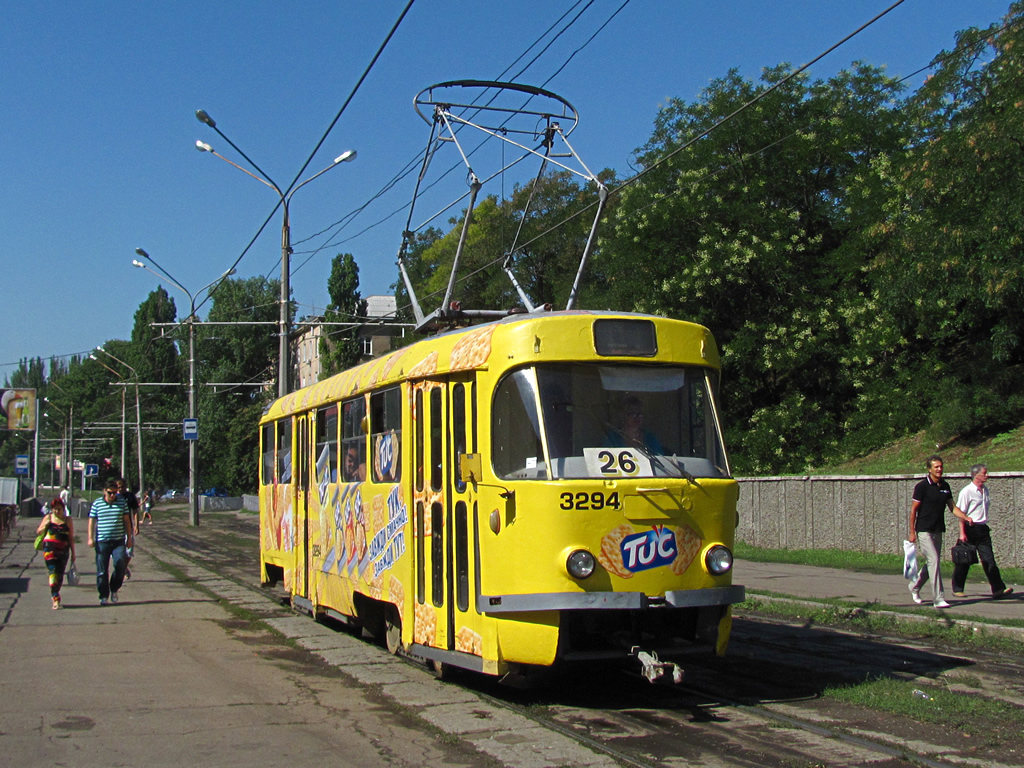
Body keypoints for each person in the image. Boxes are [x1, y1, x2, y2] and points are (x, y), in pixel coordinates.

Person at [951, 464, 1013, 599]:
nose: (987, 475)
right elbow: (961, 513)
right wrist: (962, 533)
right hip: (970, 527)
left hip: (982, 528)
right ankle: (957, 588)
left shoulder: (985, 490)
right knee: (964, 559)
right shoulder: (967, 492)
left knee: (988, 559)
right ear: (976, 475)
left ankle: (998, 589)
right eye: (984, 473)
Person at [909, 454, 960, 609]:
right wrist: (912, 532)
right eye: (936, 467)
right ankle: (938, 598)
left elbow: (952, 507)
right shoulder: (922, 487)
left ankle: (914, 587)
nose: (939, 469)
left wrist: (966, 517)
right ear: (929, 469)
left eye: (941, 466)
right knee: (934, 561)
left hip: (938, 529)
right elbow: (913, 510)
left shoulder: (945, 486)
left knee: (933, 562)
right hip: (923, 530)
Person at [89, 479, 133, 605]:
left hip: (118, 541)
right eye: (110, 493)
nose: (113, 495)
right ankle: (103, 595)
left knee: (120, 566)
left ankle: (114, 589)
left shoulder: (122, 503)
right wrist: (90, 538)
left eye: (114, 493)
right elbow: (92, 521)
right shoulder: (97, 504)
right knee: (102, 571)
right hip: (102, 542)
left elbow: (126, 521)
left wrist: (129, 538)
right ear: (104, 491)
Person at [36, 497, 76, 609]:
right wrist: (45, 525)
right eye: (54, 509)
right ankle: (55, 597)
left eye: (59, 509)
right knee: (52, 571)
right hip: (50, 550)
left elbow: (71, 537)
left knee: (60, 574)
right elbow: (38, 531)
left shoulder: (68, 520)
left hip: (63, 551)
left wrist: (73, 553)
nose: (56, 512)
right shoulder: (48, 518)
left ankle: (56, 591)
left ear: (63, 509)